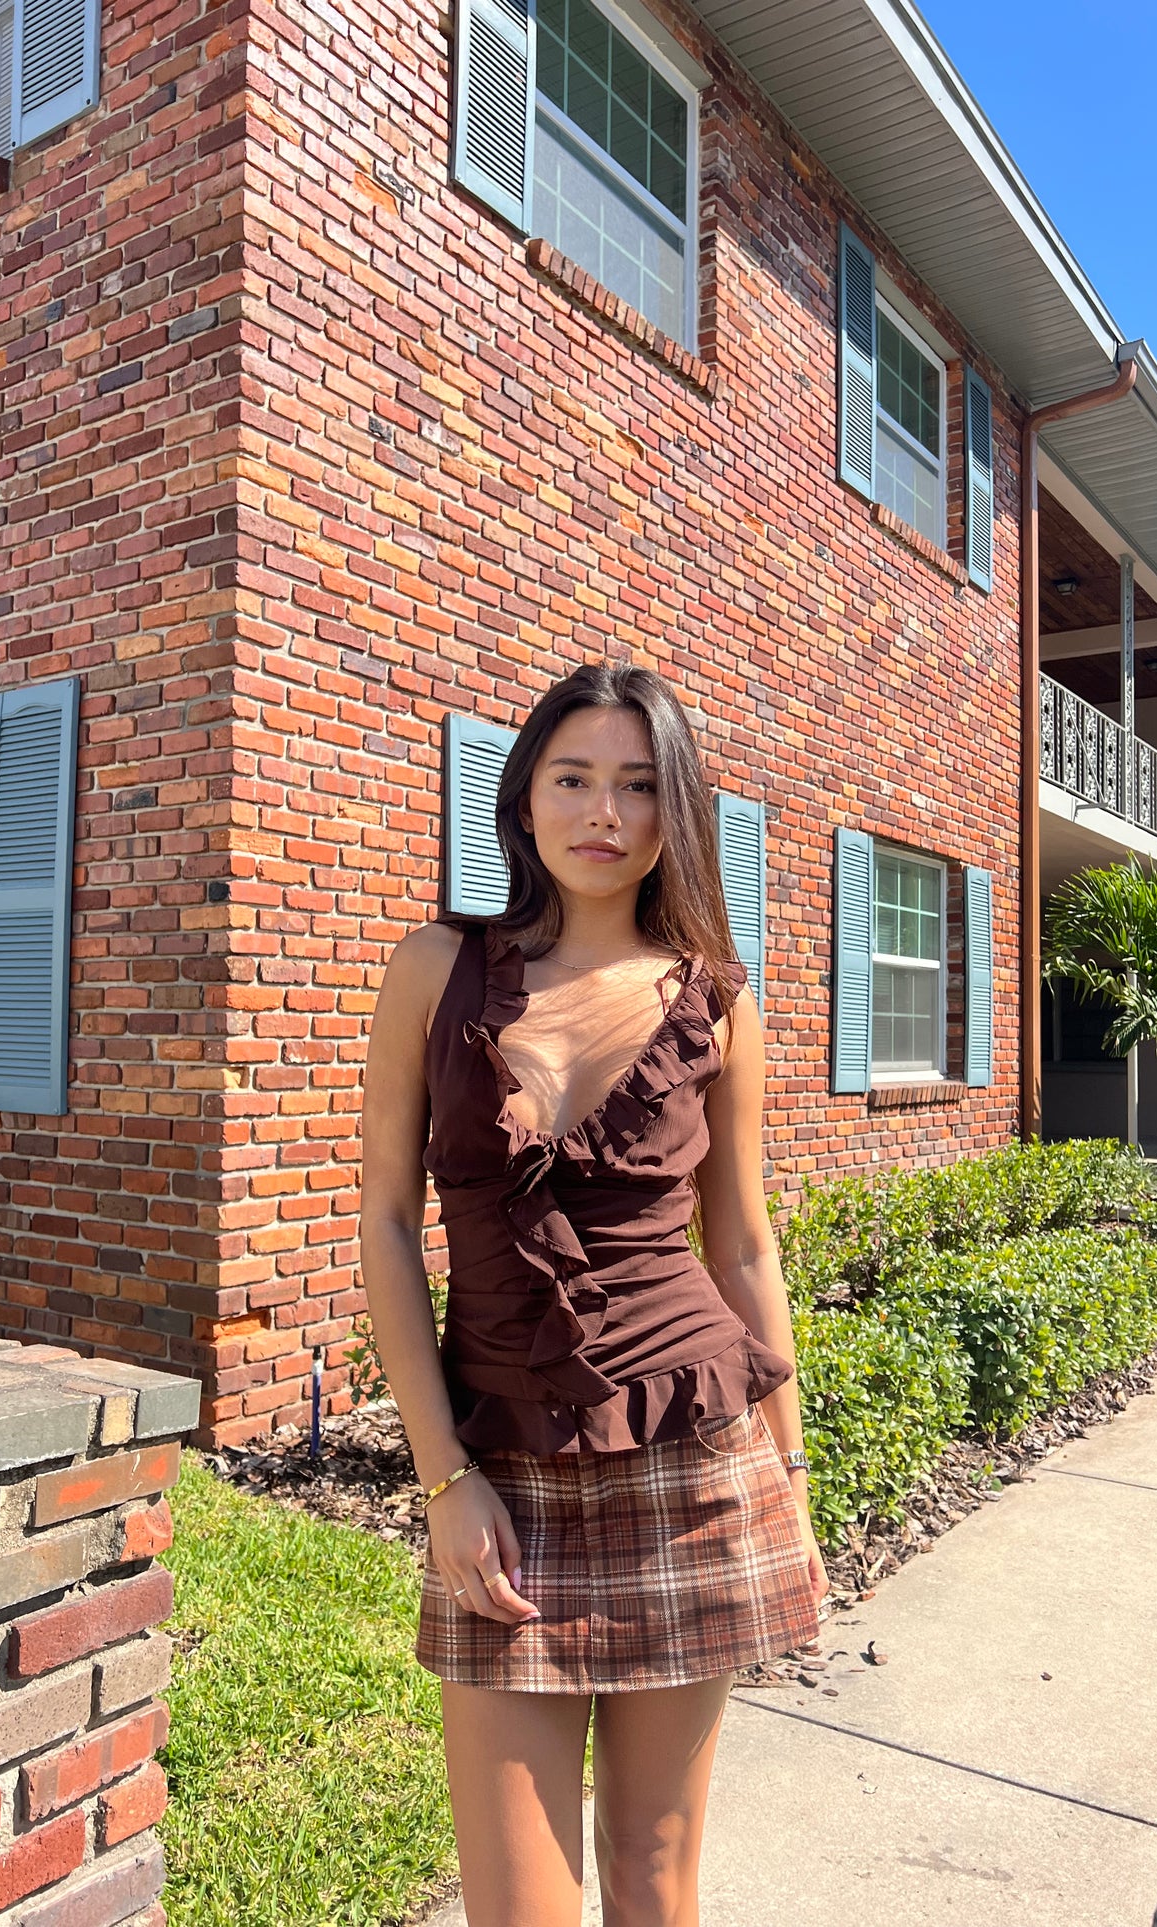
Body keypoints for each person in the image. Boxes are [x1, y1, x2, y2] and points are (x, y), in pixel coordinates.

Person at [359, 661, 829, 1927]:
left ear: (674, 812)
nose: (601, 811)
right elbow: (389, 1226)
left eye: (636, 784)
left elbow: (739, 1245)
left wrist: (786, 1470)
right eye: (572, 778)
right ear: (522, 801)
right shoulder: (433, 969)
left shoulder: (716, 1000)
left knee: (653, 1874)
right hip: (497, 1471)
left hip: (691, 1465)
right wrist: (442, 1477)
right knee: (513, 1903)